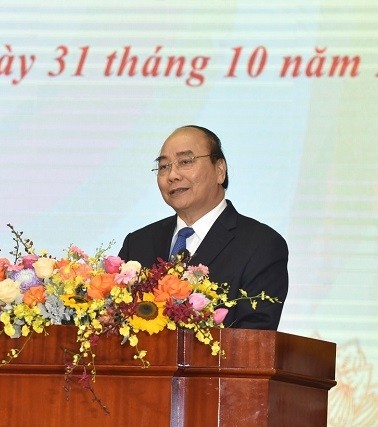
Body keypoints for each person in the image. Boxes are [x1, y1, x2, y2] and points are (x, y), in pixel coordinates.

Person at [118, 125, 288, 330]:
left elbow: (256, 339)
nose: (172, 175)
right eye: (163, 167)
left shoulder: (261, 245)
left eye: (185, 162)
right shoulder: (138, 243)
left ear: (219, 170)